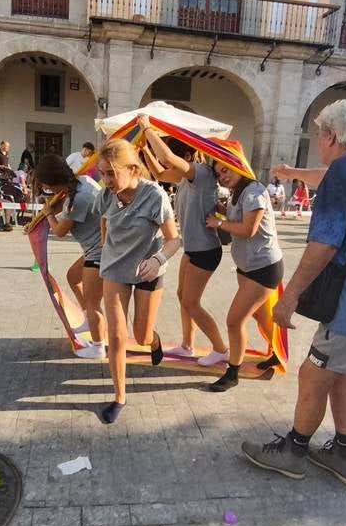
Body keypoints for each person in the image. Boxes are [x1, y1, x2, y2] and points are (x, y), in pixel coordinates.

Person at [244, 99, 346, 490]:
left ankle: (294, 451)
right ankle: (345, 454)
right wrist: (292, 173)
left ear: (331, 135)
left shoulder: (345, 173)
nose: (318, 140)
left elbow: (324, 245)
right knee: (342, 379)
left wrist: (289, 298)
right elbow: (328, 174)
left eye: (319, 134)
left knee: (313, 376)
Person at [96, 138, 180, 424]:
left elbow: (173, 240)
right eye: (102, 173)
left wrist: (158, 260)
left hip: (148, 269)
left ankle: (153, 339)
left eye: (111, 173)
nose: (106, 180)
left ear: (132, 169)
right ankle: (119, 396)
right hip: (115, 270)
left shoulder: (155, 196)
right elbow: (103, 219)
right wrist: (105, 244)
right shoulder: (106, 194)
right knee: (117, 337)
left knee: (141, 335)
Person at [137, 117, 228, 363]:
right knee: (182, 297)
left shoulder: (202, 173)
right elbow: (158, 171)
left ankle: (220, 349)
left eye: (178, 159)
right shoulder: (184, 177)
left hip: (207, 251)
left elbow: (166, 159)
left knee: (192, 303)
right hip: (192, 249)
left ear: (187, 155)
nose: (172, 167)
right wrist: (144, 145)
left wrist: (146, 126)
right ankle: (188, 345)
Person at [202, 162, 284, 391]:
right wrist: (219, 208)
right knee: (260, 316)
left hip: (263, 268)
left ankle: (232, 373)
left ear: (238, 165)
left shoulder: (255, 192)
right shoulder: (239, 192)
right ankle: (278, 352)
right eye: (218, 174)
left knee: (234, 320)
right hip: (248, 267)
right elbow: (235, 216)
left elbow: (248, 229)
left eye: (226, 170)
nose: (222, 177)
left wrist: (219, 223)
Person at [34, 153, 108, 359]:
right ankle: (87, 319)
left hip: (101, 251)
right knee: (73, 277)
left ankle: (98, 346)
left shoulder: (79, 198)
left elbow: (59, 231)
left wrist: (48, 213)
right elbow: (64, 206)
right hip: (96, 248)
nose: (47, 190)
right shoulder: (81, 182)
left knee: (94, 303)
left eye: (46, 186)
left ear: (51, 182)